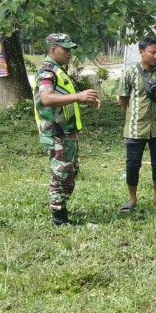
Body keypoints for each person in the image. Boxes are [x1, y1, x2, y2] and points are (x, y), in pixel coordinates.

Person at [33, 33, 101, 226]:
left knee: (70, 171)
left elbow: (62, 98)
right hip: (56, 132)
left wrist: (84, 100)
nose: (69, 53)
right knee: (61, 174)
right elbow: (46, 98)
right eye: (66, 49)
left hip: (65, 131)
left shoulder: (57, 70)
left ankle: (62, 208)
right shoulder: (47, 71)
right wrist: (79, 96)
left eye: (71, 49)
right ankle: (59, 220)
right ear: (53, 49)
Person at [118, 36, 156, 212]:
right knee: (133, 164)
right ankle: (132, 200)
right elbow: (123, 98)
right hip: (135, 128)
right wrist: (133, 114)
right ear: (141, 52)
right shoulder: (130, 73)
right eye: (152, 52)